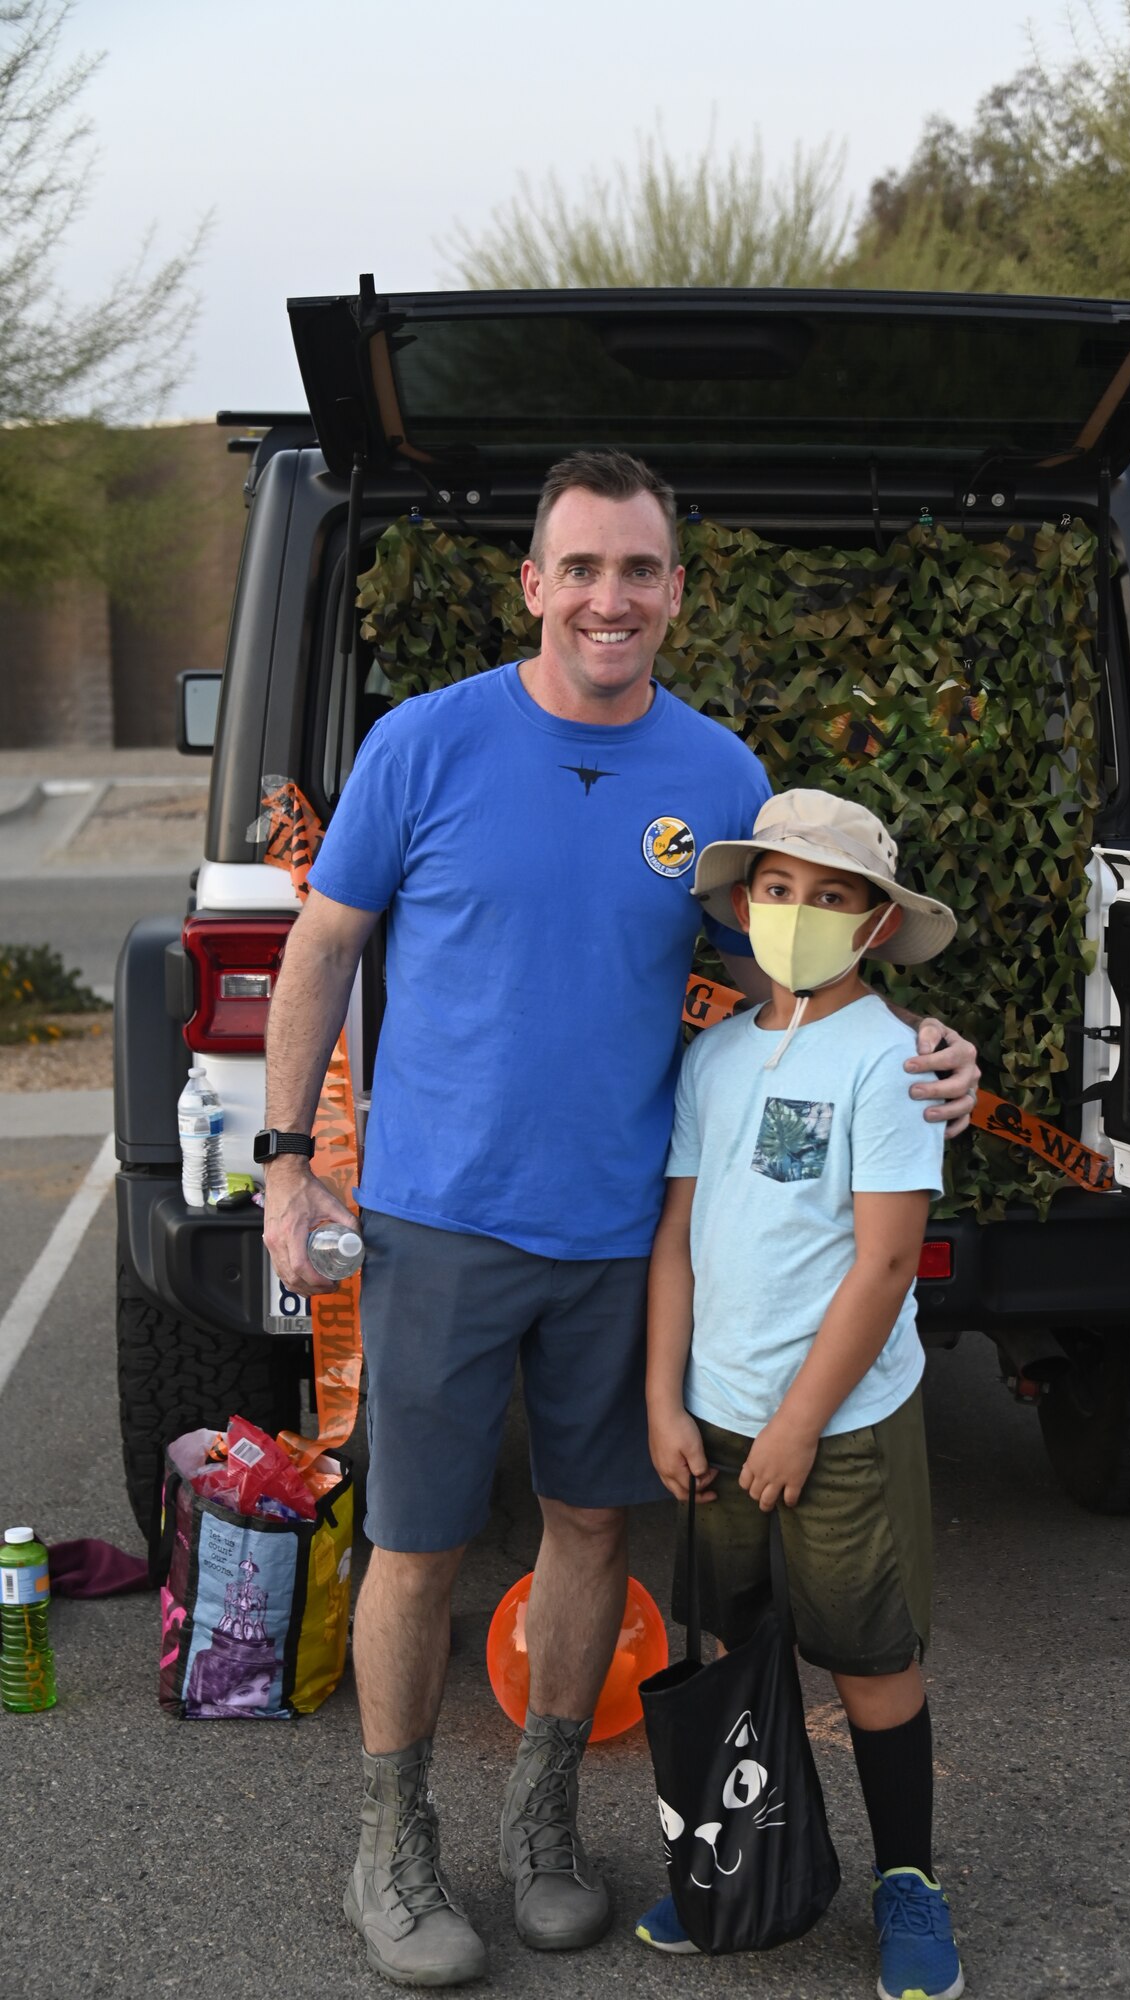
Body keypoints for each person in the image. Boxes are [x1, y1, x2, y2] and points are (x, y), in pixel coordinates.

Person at [260, 450, 980, 1989]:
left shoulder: (716, 780)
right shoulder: (426, 742)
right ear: (533, 583)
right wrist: (280, 1159)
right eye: (579, 567)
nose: (608, 596)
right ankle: (392, 1845)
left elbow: (808, 966)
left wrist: (936, 1053)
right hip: (441, 1220)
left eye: (637, 570)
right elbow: (322, 945)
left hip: (619, 1234)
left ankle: (539, 1829)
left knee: (595, 1524)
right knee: (417, 1541)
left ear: (671, 589)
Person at [636, 786, 964, 2000]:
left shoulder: (890, 1060)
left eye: (832, 897)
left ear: (875, 924)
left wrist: (795, 1422)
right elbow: (673, 1235)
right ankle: (752, 1856)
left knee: (869, 1659)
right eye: (778, 889)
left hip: (835, 1426)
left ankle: (908, 1881)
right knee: (741, 1645)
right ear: (741, 901)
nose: (798, 912)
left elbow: (882, 1260)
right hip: (712, 1419)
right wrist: (667, 1401)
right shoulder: (712, 1055)